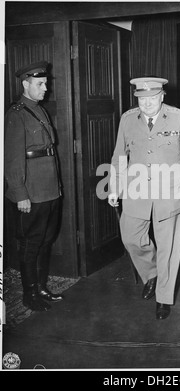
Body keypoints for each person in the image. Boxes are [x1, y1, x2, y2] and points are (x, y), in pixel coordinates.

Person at [108, 77, 180, 320]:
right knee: (130, 237)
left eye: (152, 98)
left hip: (170, 192)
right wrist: (114, 187)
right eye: (142, 99)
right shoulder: (128, 119)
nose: (147, 104)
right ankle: (151, 273)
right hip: (136, 190)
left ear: (162, 95)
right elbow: (120, 155)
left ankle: (163, 298)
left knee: (168, 248)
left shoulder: (179, 117)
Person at [4, 61, 64, 312]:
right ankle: (29, 294)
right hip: (32, 192)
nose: (45, 88)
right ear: (25, 84)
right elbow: (12, 158)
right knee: (31, 243)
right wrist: (20, 194)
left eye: (46, 84)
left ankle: (40, 287)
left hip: (50, 190)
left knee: (46, 240)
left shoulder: (40, 111)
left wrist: (57, 188)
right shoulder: (17, 114)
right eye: (40, 84)